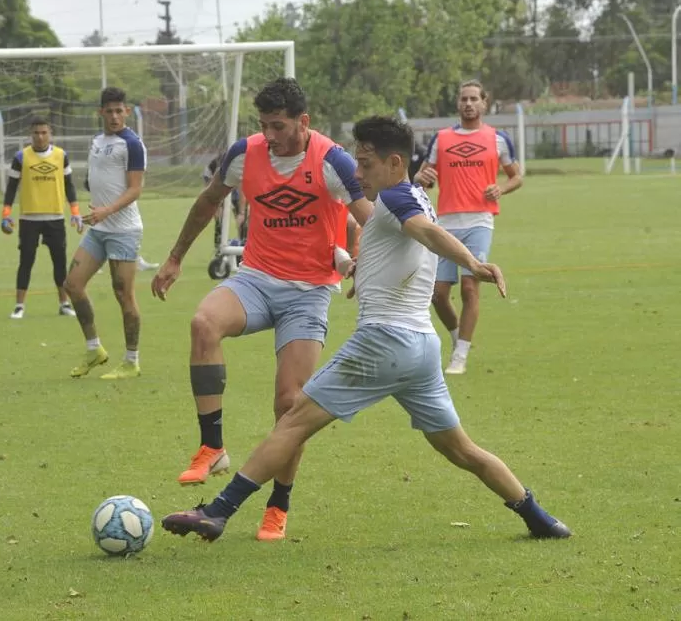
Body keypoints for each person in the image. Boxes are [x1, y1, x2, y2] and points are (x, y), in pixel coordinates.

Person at [160, 115, 571, 543]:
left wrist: (472, 263)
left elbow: (426, 233)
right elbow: (402, 246)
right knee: (461, 449)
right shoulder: (410, 196)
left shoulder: (395, 196)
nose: (357, 174)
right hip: (422, 350)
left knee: (293, 421)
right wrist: (354, 265)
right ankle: (540, 518)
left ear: (395, 162)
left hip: (383, 342)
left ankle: (218, 512)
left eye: (365, 163)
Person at [151, 77, 369, 541]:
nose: (269, 135)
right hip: (255, 278)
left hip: (308, 292)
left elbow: (369, 216)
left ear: (302, 122)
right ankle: (212, 446)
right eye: (263, 125)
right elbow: (209, 200)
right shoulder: (244, 154)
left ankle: (278, 503)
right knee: (203, 323)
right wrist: (174, 257)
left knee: (290, 405)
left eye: (278, 126)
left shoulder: (332, 160)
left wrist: (364, 262)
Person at [414, 80, 523, 375]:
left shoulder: (497, 139)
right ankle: (457, 337)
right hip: (446, 222)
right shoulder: (442, 138)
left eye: (474, 98)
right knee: (437, 293)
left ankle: (460, 355)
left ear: (485, 103)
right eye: (464, 98)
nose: (469, 103)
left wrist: (501, 188)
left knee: (469, 286)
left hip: (479, 220)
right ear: (457, 103)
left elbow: (516, 176)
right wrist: (423, 178)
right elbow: (424, 174)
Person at [63, 86, 147, 380]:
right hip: (99, 227)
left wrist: (106, 210)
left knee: (123, 294)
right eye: (108, 111)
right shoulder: (97, 141)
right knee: (72, 284)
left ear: (126, 111)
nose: (114, 116)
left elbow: (136, 189)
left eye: (119, 110)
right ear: (101, 112)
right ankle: (94, 349)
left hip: (123, 230)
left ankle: (131, 360)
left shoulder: (133, 144)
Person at [1, 117, 83, 319]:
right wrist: (5, 215)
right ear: (31, 134)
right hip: (29, 218)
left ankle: (64, 303)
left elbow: (69, 185)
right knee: (26, 261)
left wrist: (75, 212)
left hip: (55, 217)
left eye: (44, 132)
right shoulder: (21, 157)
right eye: (36, 133)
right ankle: (19, 306)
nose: (40, 136)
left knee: (59, 263)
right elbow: (11, 188)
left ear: (50, 133)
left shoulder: (61, 156)